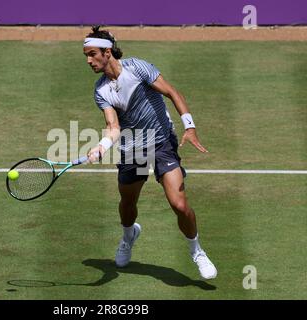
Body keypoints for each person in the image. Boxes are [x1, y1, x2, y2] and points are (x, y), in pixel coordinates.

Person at [83, 26, 217, 280]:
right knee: (128, 204)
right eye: (86, 56)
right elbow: (114, 127)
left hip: (161, 142)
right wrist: (102, 146)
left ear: (107, 52)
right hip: (132, 148)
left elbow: (172, 92)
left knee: (179, 204)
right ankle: (128, 235)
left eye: (92, 54)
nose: (89, 61)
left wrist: (189, 126)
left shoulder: (138, 68)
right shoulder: (101, 91)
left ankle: (196, 250)